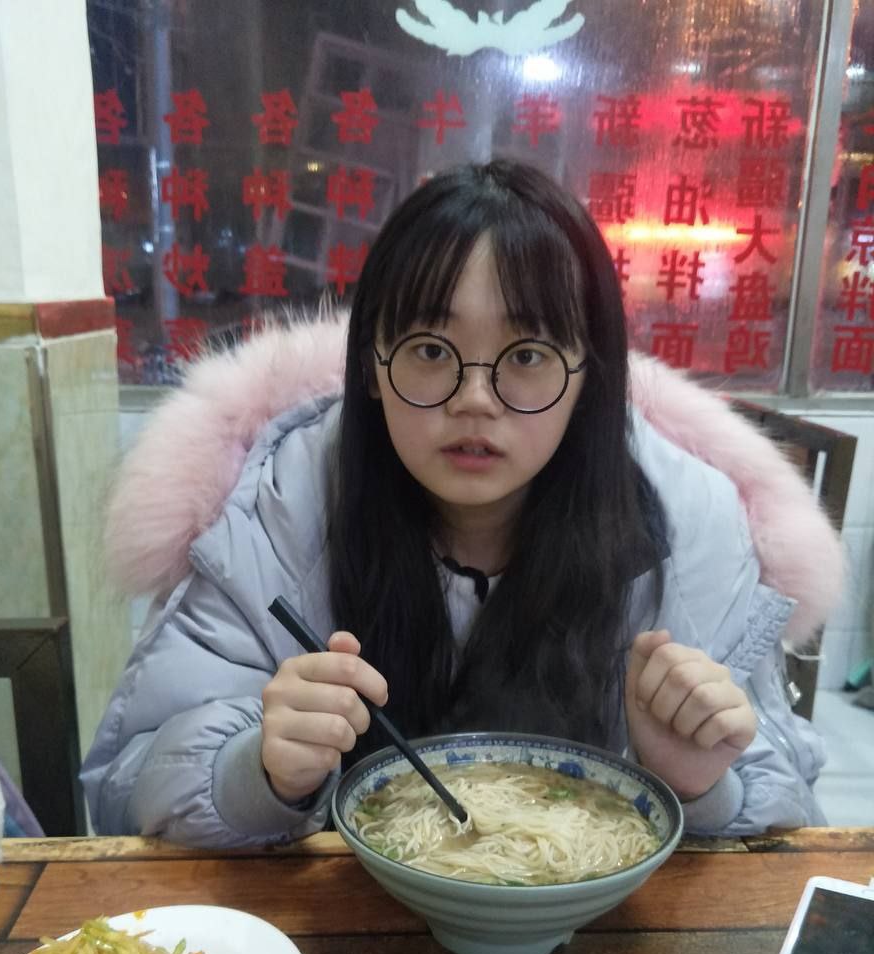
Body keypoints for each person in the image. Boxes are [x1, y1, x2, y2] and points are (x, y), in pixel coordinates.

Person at [82, 159, 829, 846]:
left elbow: (787, 800)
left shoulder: (689, 524)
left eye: (527, 355)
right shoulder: (277, 509)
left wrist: (699, 786)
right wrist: (261, 772)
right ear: (371, 366)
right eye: (431, 351)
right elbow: (127, 789)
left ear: (588, 375)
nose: (475, 400)